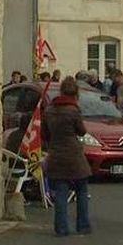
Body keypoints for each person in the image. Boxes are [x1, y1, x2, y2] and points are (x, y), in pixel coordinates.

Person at [41, 77, 92, 236]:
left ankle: (61, 228)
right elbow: (82, 131)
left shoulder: (49, 110)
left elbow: (44, 134)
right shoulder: (73, 110)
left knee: (61, 193)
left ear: (61, 91)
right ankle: (83, 225)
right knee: (82, 190)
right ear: (76, 92)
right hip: (74, 155)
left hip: (56, 154)